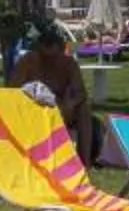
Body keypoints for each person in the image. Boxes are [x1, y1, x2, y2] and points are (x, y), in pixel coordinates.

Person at [11, 18, 103, 163]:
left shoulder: (68, 64)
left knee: (83, 110)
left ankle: (84, 161)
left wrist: (70, 104)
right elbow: (13, 91)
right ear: (38, 50)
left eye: (53, 57)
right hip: (32, 107)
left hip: (63, 106)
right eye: (44, 57)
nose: (49, 62)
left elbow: (81, 93)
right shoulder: (27, 62)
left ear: (62, 51)